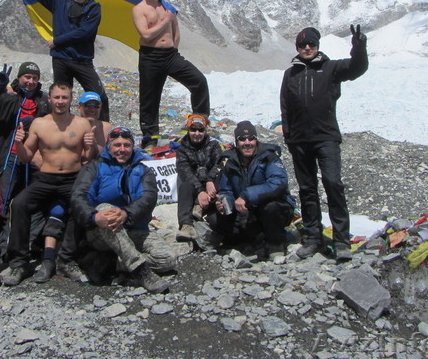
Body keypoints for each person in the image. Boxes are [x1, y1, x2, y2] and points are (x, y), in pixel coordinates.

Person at [280, 25, 368, 262]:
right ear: (297, 48)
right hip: (299, 141)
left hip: (326, 137)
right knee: (307, 189)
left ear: (317, 45)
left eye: (311, 44)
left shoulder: (331, 68)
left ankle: (341, 241)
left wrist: (359, 47)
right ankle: (312, 238)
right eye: (302, 45)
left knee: (333, 184)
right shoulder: (291, 74)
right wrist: (289, 137)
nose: (307, 48)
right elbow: (285, 107)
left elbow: (358, 67)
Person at [0, 83, 96, 286]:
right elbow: (25, 158)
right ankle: (19, 263)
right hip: (45, 178)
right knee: (19, 204)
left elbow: (88, 158)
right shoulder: (39, 124)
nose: (60, 102)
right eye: (57, 97)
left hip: (72, 178)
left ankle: (66, 260)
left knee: (80, 207)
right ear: (49, 100)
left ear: (71, 100)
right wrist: (18, 143)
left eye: (64, 98)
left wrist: (91, 145)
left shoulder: (82, 124)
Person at [71, 127, 180, 294]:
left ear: (132, 147)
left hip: (134, 229)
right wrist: (94, 217)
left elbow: (148, 199)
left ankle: (111, 263)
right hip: (102, 231)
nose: (122, 150)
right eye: (117, 145)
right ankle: (140, 271)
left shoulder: (143, 170)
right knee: (106, 209)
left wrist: (126, 214)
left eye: (127, 145)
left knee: (167, 258)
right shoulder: (94, 167)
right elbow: (79, 197)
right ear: (109, 147)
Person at [0, 0, 110, 122]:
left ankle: (104, 133)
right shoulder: (59, 2)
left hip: (82, 61)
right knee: (60, 98)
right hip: (61, 59)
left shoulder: (94, 8)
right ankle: (59, 129)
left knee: (101, 97)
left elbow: (84, 32)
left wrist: (57, 41)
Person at [132, 0, 210, 146]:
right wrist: (166, 21)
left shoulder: (167, 7)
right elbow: (145, 35)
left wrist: (173, 47)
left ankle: (199, 121)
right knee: (149, 100)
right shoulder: (139, 9)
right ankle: (150, 139)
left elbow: (176, 32)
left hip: (170, 55)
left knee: (198, 81)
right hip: (150, 57)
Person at [207, 121, 295, 259]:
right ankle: (250, 242)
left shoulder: (269, 157)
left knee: (271, 207)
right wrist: (225, 202)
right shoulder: (230, 161)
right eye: (242, 139)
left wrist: (246, 196)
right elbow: (226, 189)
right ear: (237, 142)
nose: (247, 142)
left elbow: (278, 184)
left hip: (270, 209)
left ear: (256, 139)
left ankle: (275, 244)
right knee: (215, 219)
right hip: (247, 211)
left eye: (251, 138)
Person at [0, 61, 50, 212]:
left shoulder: (44, 100)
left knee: (27, 202)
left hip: (33, 158)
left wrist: (36, 123)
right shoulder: (7, 96)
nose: (31, 82)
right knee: (1, 199)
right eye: (27, 77)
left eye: (35, 78)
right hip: (8, 156)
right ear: (19, 77)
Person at [174, 114, 224, 242]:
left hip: (212, 188)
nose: (197, 133)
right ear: (188, 130)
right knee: (184, 186)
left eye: (200, 130)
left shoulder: (214, 146)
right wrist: (200, 191)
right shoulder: (182, 149)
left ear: (205, 130)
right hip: (195, 189)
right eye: (193, 130)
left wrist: (210, 180)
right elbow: (185, 172)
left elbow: (220, 163)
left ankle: (200, 207)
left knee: (222, 177)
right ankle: (186, 225)